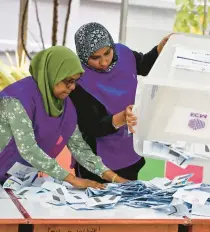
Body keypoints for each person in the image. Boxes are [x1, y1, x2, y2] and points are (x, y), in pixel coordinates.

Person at [0, 46, 129, 188]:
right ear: (52, 74)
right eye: (68, 80)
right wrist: (73, 180)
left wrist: (114, 177)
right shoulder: (18, 99)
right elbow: (28, 149)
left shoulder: (65, 106)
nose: (72, 87)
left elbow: (79, 148)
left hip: (17, 182)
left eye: (75, 81)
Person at [70, 22, 171, 183]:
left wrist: (160, 49)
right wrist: (122, 117)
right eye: (95, 58)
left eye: (107, 53)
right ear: (82, 55)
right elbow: (90, 126)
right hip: (96, 162)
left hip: (129, 150)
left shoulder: (123, 53)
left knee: (127, 204)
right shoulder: (78, 79)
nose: (104, 62)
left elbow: (143, 65)